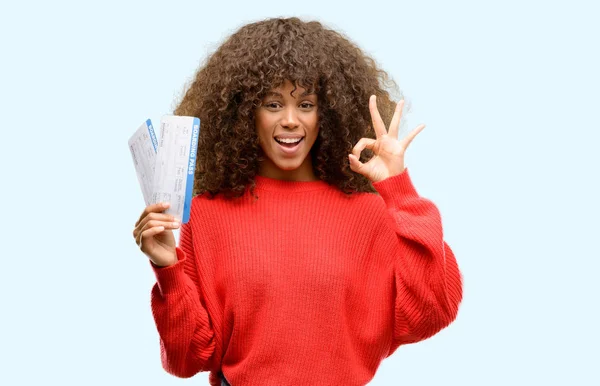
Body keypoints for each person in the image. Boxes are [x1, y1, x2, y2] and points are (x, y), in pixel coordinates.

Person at [132, 17, 463, 386]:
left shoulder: (367, 214)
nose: (290, 120)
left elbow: (432, 310)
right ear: (244, 114)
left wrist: (398, 189)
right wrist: (168, 271)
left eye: (306, 104)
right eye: (273, 104)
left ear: (327, 114)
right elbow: (187, 358)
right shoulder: (209, 215)